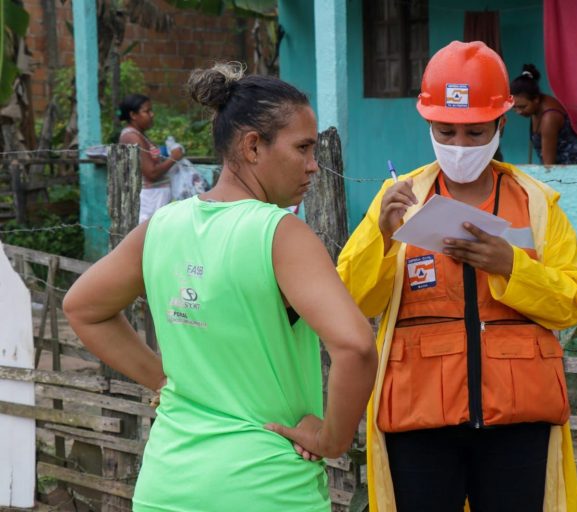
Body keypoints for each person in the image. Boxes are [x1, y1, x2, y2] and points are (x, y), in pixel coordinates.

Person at [64, 64, 378, 511]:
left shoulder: (161, 227)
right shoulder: (279, 233)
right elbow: (356, 346)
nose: (313, 165)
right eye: (303, 148)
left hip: (167, 485)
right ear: (253, 146)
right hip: (265, 488)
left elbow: (81, 307)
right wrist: (330, 439)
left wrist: (166, 381)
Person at [337, 41, 577, 512]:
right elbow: (351, 302)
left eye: (475, 132)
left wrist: (510, 267)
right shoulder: (396, 199)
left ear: (500, 123)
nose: (460, 146)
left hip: (518, 420)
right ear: (429, 125)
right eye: (446, 131)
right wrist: (383, 237)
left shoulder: (536, 203)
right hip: (419, 419)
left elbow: (575, 300)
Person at [118, 94, 183, 222]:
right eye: (147, 111)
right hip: (149, 202)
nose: (152, 114)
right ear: (133, 115)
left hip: (155, 200)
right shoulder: (131, 136)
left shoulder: (139, 135)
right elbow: (151, 173)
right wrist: (174, 157)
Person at [510, 64, 577, 165]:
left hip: (572, 171)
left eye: (522, 107)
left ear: (536, 99)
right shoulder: (534, 107)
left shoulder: (549, 118)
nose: (518, 111)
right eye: (514, 107)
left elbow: (548, 165)